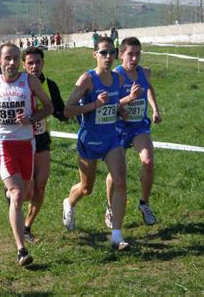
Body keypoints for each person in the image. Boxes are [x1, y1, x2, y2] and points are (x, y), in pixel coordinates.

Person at [0, 43, 53, 266]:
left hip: (27, 145)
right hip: (4, 146)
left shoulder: (30, 81)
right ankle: (21, 250)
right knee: (19, 193)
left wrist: (32, 119)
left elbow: (48, 107)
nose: (12, 63)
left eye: (16, 58)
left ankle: (10, 196)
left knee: (26, 194)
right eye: (7, 58)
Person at [62, 36, 130, 251]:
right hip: (90, 139)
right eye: (103, 53)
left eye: (112, 52)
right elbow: (67, 110)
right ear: (95, 55)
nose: (108, 56)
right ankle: (69, 203)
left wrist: (121, 110)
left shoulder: (118, 79)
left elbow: (115, 102)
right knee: (86, 188)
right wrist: (93, 104)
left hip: (111, 137)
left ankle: (117, 236)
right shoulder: (87, 80)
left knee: (120, 181)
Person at [105, 37, 162, 229]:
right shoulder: (115, 76)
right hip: (119, 127)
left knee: (148, 161)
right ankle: (110, 207)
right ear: (121, 55)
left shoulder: (144, 73)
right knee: (116, 172)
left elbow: (149, 89)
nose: (135, 58)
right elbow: (110, 104)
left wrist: (155, 109)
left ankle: (144, 204)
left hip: (138, 126)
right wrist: (128, 99)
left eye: (138, 54)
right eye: (130, 54)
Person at [21, 47, 67, 244]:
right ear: (24, 64)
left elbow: (60, 110)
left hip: (41, 140)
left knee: (40, 186)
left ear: (43, 63)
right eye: (30, 63)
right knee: (26, 191)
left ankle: (26, 227)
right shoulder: (18, 85)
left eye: (37, 62)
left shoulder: (50, 85)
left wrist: (84, 110)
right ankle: (12, 194)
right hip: (21, 141)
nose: (34, 67)